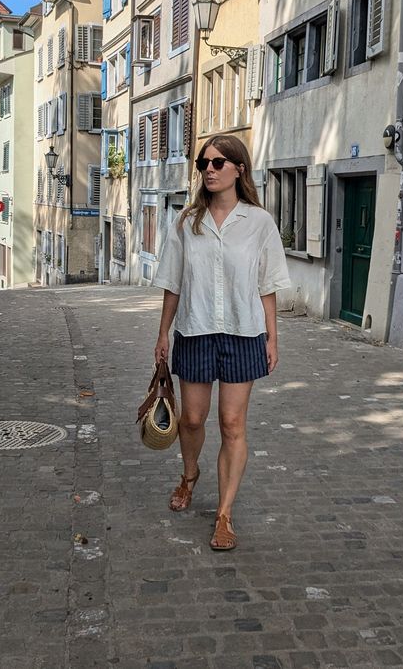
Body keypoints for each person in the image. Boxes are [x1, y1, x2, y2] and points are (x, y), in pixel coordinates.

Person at [153, 134, 290, 551]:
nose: (209, 170)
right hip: (194, 330)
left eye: (217, 163)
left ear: (238, 169)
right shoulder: (186, 222)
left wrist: (272, 335)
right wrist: (163, 333)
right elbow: (173, 282)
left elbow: (267, 284)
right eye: (203, 164)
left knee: (232, 424)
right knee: (192, 419)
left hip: (244, 333)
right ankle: (190, 474)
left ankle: (224, 514)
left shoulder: (259, 223)